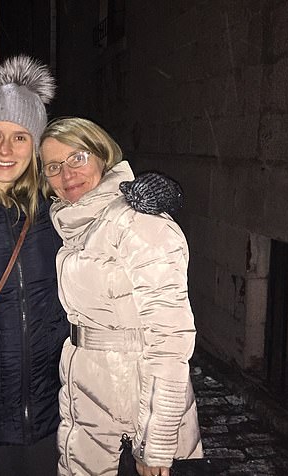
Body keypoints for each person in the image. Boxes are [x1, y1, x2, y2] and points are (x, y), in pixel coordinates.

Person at [0, 56, 182, 476]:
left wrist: (160, 194)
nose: (6, 149)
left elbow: (107, 201)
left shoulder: (60, 209)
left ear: (35, 146)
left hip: (52, 408)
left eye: (20, 137)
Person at [39, 117, 203, 476]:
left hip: (133, 419)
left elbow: (170, 339)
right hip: (86, 409)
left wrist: (155, 442)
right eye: (54, 166)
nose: (67, 174)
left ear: (102, 155)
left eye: (78, 157)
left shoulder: (136, 222)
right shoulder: (73, 222)